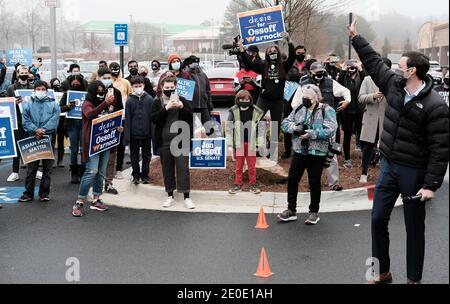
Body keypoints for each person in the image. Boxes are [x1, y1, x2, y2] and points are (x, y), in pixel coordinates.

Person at [349, 20, 449, 284]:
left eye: (401, 66)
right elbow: (373, 62)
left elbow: (441, 148)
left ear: (412, 71)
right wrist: (357, 37)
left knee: (414, 228)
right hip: (390, 166)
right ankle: (381, 272)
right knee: (377, 218)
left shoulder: (435, 105)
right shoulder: (394, 83)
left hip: (414, 172)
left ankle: (413, 279)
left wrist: (431, 185)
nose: (396, 68)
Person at [278, 84, 338, 225]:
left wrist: (311, 134)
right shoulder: (299, 108)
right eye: (303, 96)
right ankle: (291, 209)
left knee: (314, 182)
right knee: (293, 179)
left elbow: (330, 129)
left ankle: (313, 212)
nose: (305, 99)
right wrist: (294, 127)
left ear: (316, 98)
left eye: (308, 97)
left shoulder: (326, 110)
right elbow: (285, 123)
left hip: (317, 152)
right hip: (299, 150)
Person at [238, 33, 296, 158]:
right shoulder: (263, 65)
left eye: (274, 50)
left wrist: (289, 42)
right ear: (267, 54)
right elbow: (249, 64)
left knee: (275, 127)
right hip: (263, 99)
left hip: (278, 101)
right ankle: (254, 148)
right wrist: (242, 49)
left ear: (278, 53)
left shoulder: (284, 66)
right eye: (270, 51)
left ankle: (272, 152)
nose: (272, 52)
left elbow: (292, 57)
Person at [299, 62, 351, 191]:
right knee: (310, 154)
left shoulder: (330, 82)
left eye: (321, 71)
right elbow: (296, 102)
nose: (319, 74)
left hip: (327, 122)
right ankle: (312, 183)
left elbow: (345, 90)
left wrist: (347, 101)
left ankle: (334, 183)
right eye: (316, 72)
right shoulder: (304, 83)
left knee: (331, 153)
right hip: (311, 123)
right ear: (310, 72)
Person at [71, 81, 116, 217]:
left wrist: (117, 126)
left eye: (103, 91)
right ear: (91, 92)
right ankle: (79, 201)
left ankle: (96, 199)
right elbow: (90, 115)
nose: (101, 93)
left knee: (101, 172)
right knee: (91, 171)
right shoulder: (87, 104)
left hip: (105, 142)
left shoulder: (106, 106)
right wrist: (105, 103)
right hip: (92, 143)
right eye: (98, 91)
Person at [150, 75, 195, 210]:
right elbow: (154, 119)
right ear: (162, 88)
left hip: (181, 141)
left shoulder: (183, 100)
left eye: (172, 87)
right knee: (167, 169)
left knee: (183, 169)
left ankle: (186, 196)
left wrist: (182, 107)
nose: (169, 89)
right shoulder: (157, 101)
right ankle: (170, 195)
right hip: (165, 141)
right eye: (167, 87)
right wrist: (166, 108)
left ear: (176, 87)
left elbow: (190, 118)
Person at [18, 81, 60, 202]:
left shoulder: (54, 104)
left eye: (43, 89)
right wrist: (35, 130)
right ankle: (28, 193)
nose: (40, 91)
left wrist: (43, 130)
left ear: (47, 91)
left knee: (47, 169)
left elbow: (55, 120)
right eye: (38, 89)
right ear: (34, 90)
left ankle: (44, 193)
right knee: (32, 168)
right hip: (33, 138)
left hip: (48, 139)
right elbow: (25, 121)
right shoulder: (27, 104)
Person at [358, 58, 391, 184]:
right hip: (371, 118)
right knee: (367, 148)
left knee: (385, 148)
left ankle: (384, 174)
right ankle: (364, 173)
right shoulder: (367, 80)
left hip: (386, 119)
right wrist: (372, 96)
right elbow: (360, 97)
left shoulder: (391, 82)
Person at [227, 90, 264, 195]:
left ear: (250, 100)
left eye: (247, 99)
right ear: (238, 100)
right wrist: (230, 145)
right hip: (239, 143)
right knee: (239, 166)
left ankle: (253, 185)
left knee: (252, 166)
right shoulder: (233, 111)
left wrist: (259, 144)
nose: (244, 101)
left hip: (251, 143)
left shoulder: (256, 111)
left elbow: (261, 129)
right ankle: (238, 184)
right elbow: (229, 128)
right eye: (242, 99)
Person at [98, 67, 124, 194]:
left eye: (109, 78)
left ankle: (108, 183)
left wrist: (119, 124)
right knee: (97, 159)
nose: (107, 80)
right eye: (104, 78)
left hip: (112, 129)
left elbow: (120, 110)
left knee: (111, 158)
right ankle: (97, 184)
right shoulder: (94, 91)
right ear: (99, 78)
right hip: (98, 129)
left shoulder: (117, 92)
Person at [6, 65, 34, 182]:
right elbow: (6, 103)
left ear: (28, 74)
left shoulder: (32, 87)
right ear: (17, 74)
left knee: (31, 146)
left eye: (25, 72)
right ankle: (15, 171)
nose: (24, 74)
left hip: (30, 121)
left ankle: (33, 169)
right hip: (17, 121)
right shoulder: (11, 88)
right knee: (17, 147)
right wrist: (14, 101)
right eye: (21, 72)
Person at [124, 76, 154, 185]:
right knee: (134, 156)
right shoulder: (130, 100)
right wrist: (127, 136)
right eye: (136, 86)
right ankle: (135, 174)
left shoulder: (149, 99)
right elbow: (127, 119)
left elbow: (152, 118)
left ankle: (145, 175)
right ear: (132, 87)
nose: (138, 88)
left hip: (146, 133)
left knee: (147, 155)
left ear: (144, 86)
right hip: (134, 134)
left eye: (140, 86)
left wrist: (152, 133)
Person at [338, 59, 366, 168]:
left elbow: (366, 80)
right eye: (350, 66)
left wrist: (360, 68)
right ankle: (347, 159)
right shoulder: (344, 77)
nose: (352, 68)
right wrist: (343, 70)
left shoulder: (361, 77)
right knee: (347, 135)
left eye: (353, 67)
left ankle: (365, 157)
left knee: (362, 134)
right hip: (347, 111)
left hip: (359, 111)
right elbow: (339, 85)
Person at [60, 75, 87, 184]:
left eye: (77, 82)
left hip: (84, 124)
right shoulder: (67, 94)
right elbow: (60, 107)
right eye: (73, 83)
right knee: (74, 150)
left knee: (83, 149)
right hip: (72, 125)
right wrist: (67, 106)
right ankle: (74, 173)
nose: (75, 84)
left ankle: (83, 172)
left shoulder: (87, 94)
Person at [282, 45, 307, 160]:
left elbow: (310, 78)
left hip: (304, 98)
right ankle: (287, 149)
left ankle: (302, 148)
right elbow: (287, 77)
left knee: (304, 123)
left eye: (302, 53)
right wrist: (299, 77)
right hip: (289, 98)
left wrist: (298, 77)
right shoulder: (290, 64)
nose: (300, 54)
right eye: (298, 52)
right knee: (288, 122)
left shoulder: (308, 66)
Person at [110, 62, 133, 179]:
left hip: (122, 117)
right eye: (112, 69)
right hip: (108, 118)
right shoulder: (108, 82)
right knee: (109, 144)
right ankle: (109, 169)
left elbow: (131, 97)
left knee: (121, 145)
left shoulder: (126, 82)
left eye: (116, 69)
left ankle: (118, 169)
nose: (115, 71)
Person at [183, 55, 214, 133]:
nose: (195, 64)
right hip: (191, 106)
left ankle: (209, 144)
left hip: (203, 105)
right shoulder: (185, 75)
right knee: (191, 130)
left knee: (210, 129)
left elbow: (208, 90)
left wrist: (209, 103)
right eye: (193, 62)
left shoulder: (203, 74)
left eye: (197, 62)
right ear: (188, 64)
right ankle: (191, 145)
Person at [50, 78, 66, 167]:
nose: (56, 86)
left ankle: (60, 160)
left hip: (61, 119)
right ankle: (51, 160)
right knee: (51, 141)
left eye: (58, 84)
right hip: (52, 120)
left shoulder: (63, 93)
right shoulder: (48, 94)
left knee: (61, 140)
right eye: (54, 84)